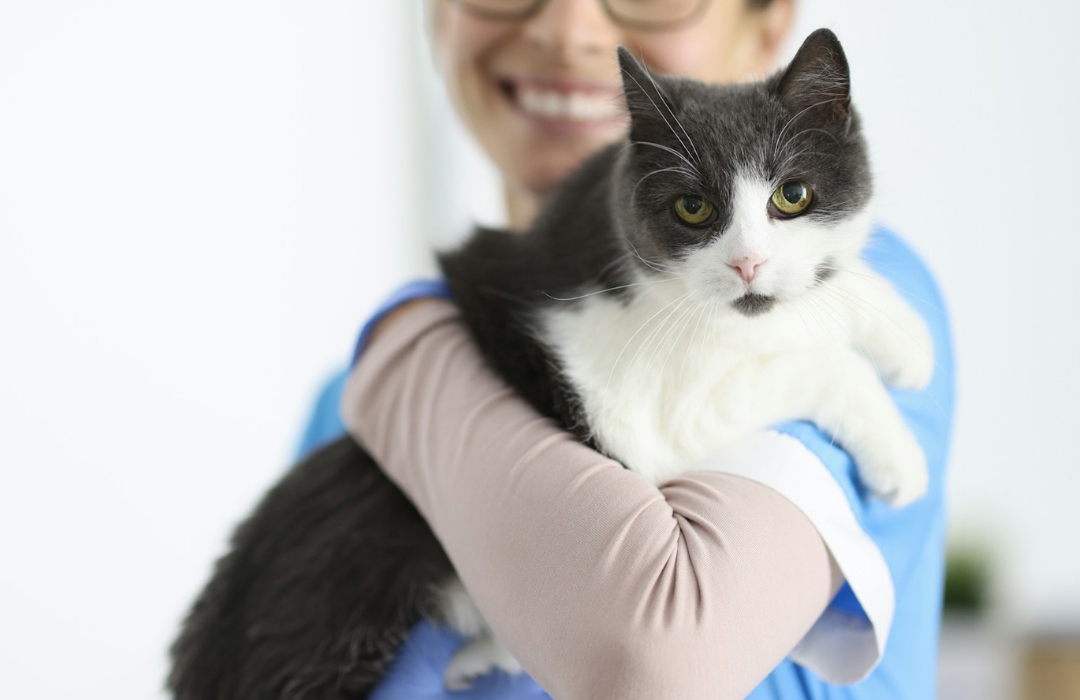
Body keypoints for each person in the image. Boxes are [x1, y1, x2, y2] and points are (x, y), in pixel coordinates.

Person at [297, 0, 955, 698]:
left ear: (765, 23)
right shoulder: (342, 405)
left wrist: (413, 352)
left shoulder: (856, 301)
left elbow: (658, 662)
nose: (567, 32)